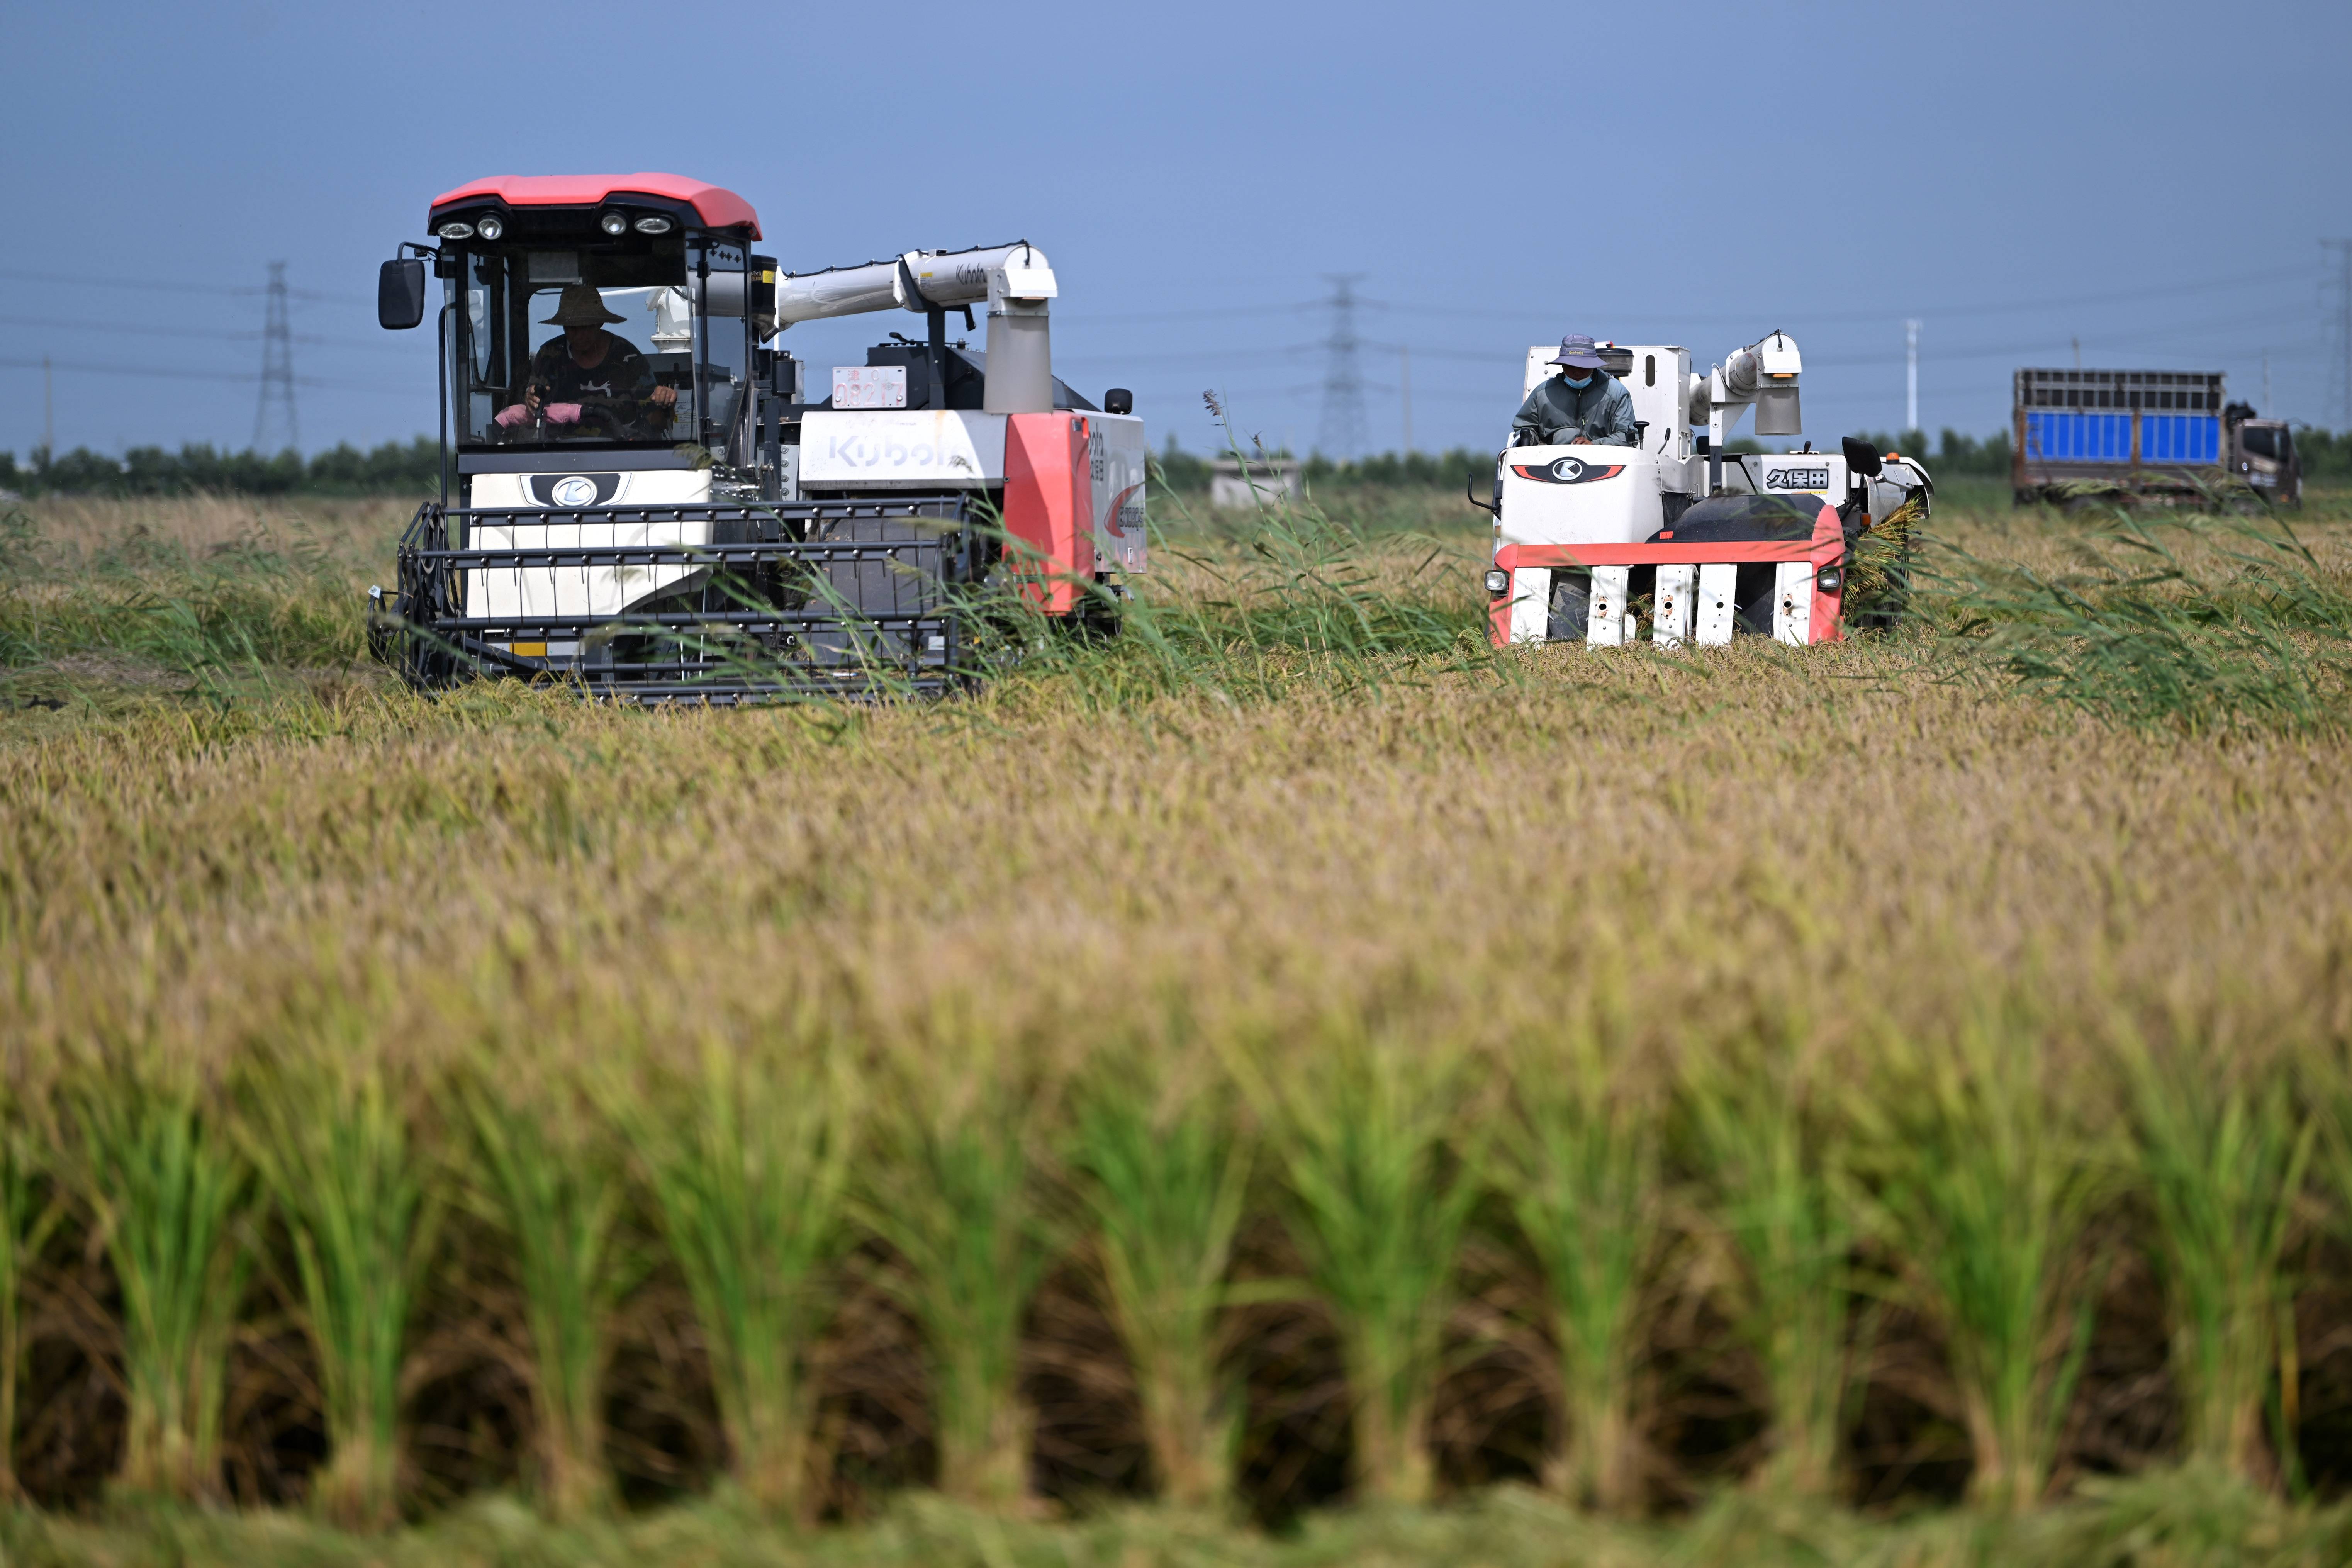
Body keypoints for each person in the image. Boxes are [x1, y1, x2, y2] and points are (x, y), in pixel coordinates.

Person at [494, 284, 677, 437]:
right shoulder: (550, 355)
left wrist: (665, 403)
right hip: (558, 454)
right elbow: (532, 412)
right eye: (572, 328)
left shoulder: (628, 358)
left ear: (600, 323)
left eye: (586, 327)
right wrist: (532, 398)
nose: (579, 335)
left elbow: (657, 422)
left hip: (622, 454)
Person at [1511, 334, 1637, 447]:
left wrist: (1594, 445)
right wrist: (1529, 440)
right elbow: (1525, 428)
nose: (1577, 372)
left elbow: (1628, 437)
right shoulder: (1543, 393)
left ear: (1593, 366)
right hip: (1549, 466)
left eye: (1583, 367)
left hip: (1607, 466)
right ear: (1562, 365)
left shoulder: (1616, 393)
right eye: (1570, 366)